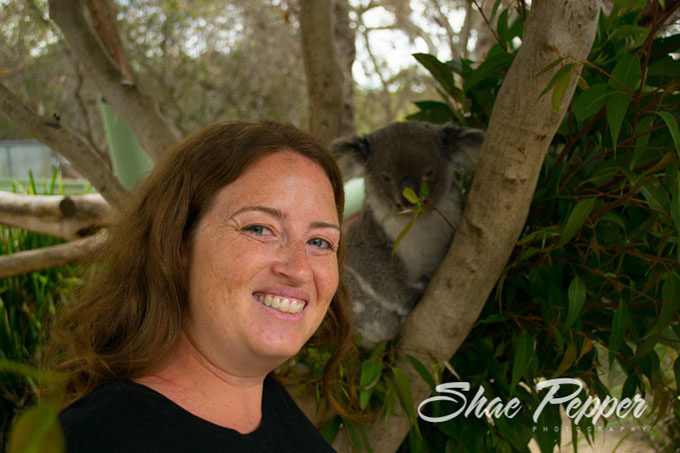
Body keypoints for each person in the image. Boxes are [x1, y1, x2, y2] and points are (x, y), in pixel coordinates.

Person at [49, 121, 354, 452]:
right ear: (178, 243)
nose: (298, 269)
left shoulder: (284, 419)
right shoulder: (94, 440)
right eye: (259, 229)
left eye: (320, 241)